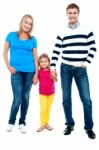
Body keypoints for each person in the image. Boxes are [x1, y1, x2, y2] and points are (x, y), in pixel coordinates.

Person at [50, 3, 96, 139]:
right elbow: (56, 50)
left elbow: (93, 48)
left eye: (74, 12)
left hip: (81, 69)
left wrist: (85, 63)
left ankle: (89, 128)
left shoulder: (87, 30)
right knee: (66, 98)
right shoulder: (61, 31)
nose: (72, 15)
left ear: (78, 14)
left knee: (86, 99)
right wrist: (52, 67)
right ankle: (69, 124)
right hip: (65, 68)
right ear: (67, 14)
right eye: (70, 13)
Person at [3, 14, 38, 133]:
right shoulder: (11, 35)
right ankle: (11, 121)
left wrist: (37, 73)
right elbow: (4, 52)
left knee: (26, 97)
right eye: (26, 22)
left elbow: (35, 56)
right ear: (21, 22)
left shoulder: (33, 39)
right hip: (16, 71)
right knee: (17, 98)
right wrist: (8, 66)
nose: (27, 25)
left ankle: (22, 122)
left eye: (30, 24)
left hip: (30, 71)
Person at [36, 53, 57, 132]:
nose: (43, 63)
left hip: (51, 93)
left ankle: (46, 124)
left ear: (49, 62)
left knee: (48, 109)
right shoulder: (38, 71)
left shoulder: (52, 70)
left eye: (45, 61)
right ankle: (42, 125)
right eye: (41, 62)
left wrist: (54, 75)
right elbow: (34, 82)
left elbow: (56, 80)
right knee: (43, 109)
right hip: (42, 94)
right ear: (39, 63)